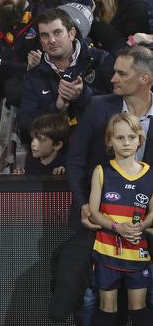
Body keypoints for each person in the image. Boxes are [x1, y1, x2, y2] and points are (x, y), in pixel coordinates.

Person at [63, 45, 153, 325]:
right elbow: (75, 161)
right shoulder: (97, 106)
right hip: (98, 228)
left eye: (121, 73)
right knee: (92, 301)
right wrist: (83, 206)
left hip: (146, 232)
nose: (112, 78)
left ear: (144, 79)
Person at [87, 112, 153, 325]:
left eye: (131, 137)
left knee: (139, 308)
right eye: (120, 138)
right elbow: (94, 212)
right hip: (107, 251)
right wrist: (117, 227)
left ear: (139, 139)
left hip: (138, 251)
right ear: (110, 141)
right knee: (108, 308)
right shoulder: (101, 172)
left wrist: (140, 226)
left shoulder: (150, 174)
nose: (126, 143)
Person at [17, 7, 113, 142]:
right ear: (41, 42)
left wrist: (83, 96)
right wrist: (56, 108)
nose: (51, 40)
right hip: (56, 156)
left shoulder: (100, 60)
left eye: (57, 33)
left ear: (71, 33)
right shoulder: (35, 76)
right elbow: (25, 128)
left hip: (99, 148)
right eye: (45, 35)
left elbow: (119, 108)